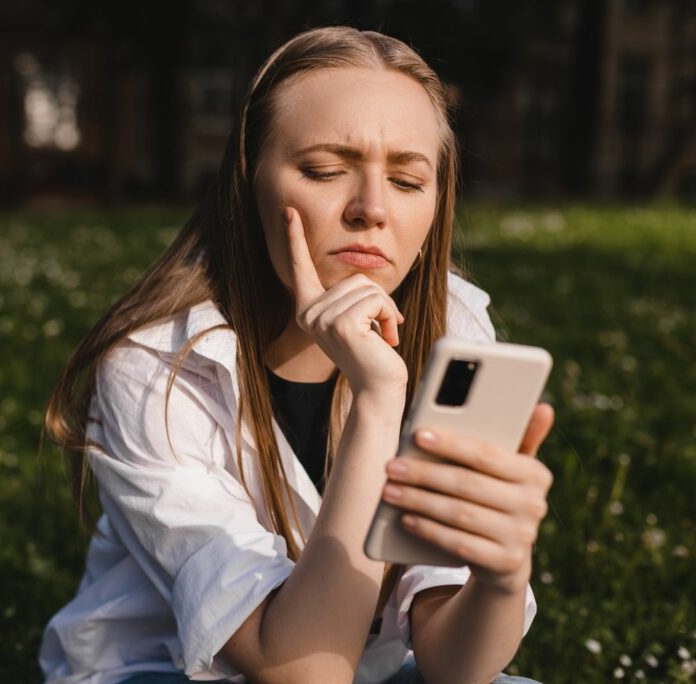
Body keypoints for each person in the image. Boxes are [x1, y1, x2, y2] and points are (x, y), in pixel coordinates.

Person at [38, 25, 555, 684]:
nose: (371, 209)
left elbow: (455, 667)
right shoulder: (155, 369)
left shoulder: (457, 330)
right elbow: (303, 674)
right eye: (324, 170)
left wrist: (500, 575)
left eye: (406, 179)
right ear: (250, 179)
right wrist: (378, 399)